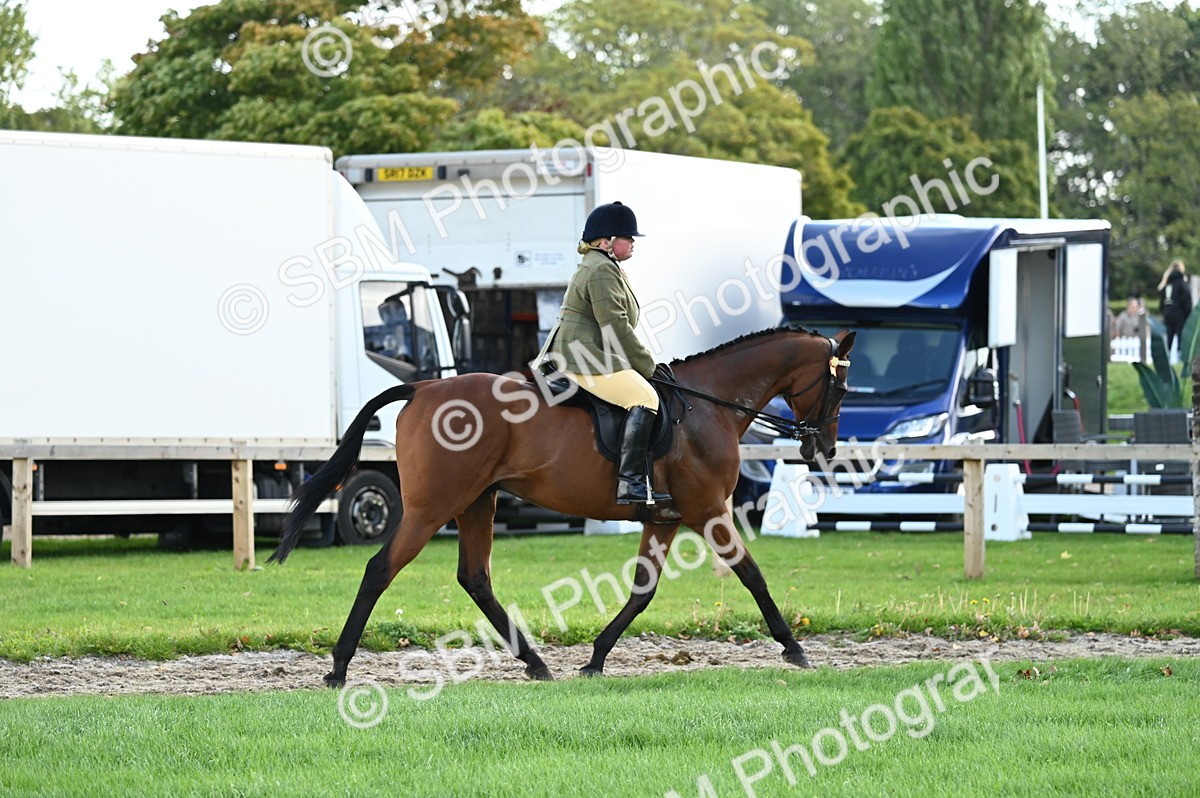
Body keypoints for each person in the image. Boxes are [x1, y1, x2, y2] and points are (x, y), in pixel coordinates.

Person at [535, 201, 671, 507]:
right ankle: (630, 483)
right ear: (606, 242)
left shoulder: (606, 267)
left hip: (590, 352)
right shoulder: (600, 271)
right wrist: (648, 367)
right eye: (628, 236)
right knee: (645, 398)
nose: (633, 241)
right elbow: (615, 327)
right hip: (582, 357)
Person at [1157, 260, 1192, 354]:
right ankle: (1179, 356)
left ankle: (1167, 356)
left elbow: (1161, 302)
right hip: (1180, 315)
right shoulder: (1182, 284)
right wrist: (1188, 314)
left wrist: (1164, 312)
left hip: (1168, 314)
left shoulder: (1166, 284)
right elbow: (1186, 301)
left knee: (1169, 337)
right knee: (1181, 336)